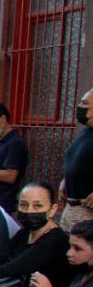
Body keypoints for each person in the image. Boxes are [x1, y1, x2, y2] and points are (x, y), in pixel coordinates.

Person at [59, 88, 93, 232]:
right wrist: (65, 181)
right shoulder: (85, 133)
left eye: (84, 103)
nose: (80, 106)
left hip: (87, 211)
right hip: (70, 206)